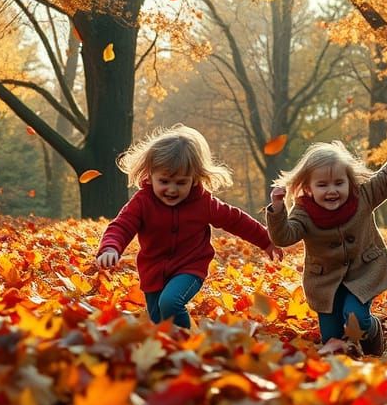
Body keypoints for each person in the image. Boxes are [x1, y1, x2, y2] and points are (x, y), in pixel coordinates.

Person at [266, 125, 387, 356]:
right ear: (308, 187)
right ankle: (347, 364)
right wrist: (278, 209)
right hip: (325, 282)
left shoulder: (363, 196)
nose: (332, 191)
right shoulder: (303, 212)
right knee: (332, 339)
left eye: (339, 183)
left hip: (363, 272)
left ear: (350, 181)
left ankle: (374, 339)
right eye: (322, 185)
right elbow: (283, 237)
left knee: (357, 319)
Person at [96, 124, 282, 328]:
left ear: (194, 179)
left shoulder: (203, 203)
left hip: (190, 268)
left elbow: (236, 221)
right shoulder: (142, 202)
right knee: (159, 320)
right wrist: (110, 247)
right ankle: (170, 345)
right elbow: (122, 226)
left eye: (181, 182)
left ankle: (189, 341)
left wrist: (267, 241)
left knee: (170, 303)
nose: (172, 189)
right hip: (153, 272)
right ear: (150, 175)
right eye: (164, 181)